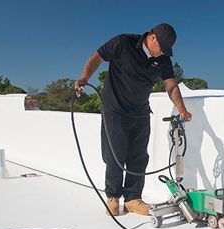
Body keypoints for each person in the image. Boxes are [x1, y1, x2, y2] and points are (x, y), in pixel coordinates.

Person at [74, 23, 194, 216]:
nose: (163, 52)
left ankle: (132, 199)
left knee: (139, 156)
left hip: (140, 112)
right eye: (161, 47)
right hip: (114, 108)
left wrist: (182, 109)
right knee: (114, 155)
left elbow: (171, 86)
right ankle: (112, 198)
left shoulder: (163, 60)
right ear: (152, 37)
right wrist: (84, 77)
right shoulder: (124, 43)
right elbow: (96, 58)